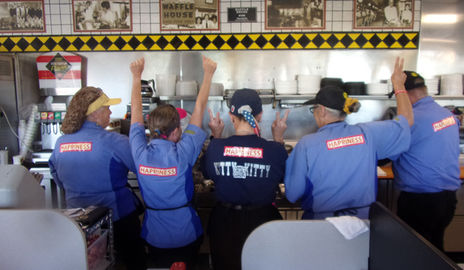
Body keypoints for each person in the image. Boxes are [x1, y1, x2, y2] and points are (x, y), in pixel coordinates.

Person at [284, 57, 413, 220]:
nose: (314, 113)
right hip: (361, 223)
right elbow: (407, 121)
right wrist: (399, 86)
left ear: (322, 110)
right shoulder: (368, 134)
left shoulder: (307, 145)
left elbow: (293, 194)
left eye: (313, 109)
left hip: (320, 225)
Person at [128, 56, 217, 269]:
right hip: (186, 233)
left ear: (151, 129)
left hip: (154, 235)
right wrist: (208, 75)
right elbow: (199, 108)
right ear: (176, 131)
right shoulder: (184, 153)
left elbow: (136, 116)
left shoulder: (140, 151)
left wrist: (136, 77)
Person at [48, 86, 146, 270]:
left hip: (78, 224)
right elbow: (143, 167)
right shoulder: (114, 141)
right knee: (133, 263)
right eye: (106, 107)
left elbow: (58, 178)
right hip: (117, 218)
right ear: (93, 114)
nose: (110, 111)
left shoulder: (61, 143)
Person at [201, 89, 290, 270]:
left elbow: (207, 173)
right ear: (260, 116)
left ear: (231, 117)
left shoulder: (216, 147)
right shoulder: (275, 149)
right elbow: (283, 174)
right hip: (263, 224)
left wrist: (215, 136)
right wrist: (278, 138)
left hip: (224, 225)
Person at [390, 71, 461, 251]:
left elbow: (386, 154)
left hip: (420, 200)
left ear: (407, 95)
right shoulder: (447, 115)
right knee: (435, 249)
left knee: (416, 253)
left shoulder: (412, 120)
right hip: (448, 199)